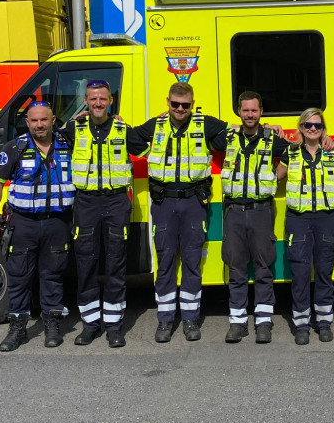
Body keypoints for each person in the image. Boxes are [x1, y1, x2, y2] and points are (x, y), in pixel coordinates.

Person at [126, 83, 229, 343]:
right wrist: (115, 121)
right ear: (168, 102)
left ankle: (191, 318)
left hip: (194, 202)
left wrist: (268, 127)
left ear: (192, 104)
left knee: (192, 261)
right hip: (164, 203)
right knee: (165, 262)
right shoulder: (156, 125)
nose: (180, 109)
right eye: (175, 104)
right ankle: (165, 319)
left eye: (185, 105)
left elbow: (237, 130)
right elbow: (128, 136)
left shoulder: (204, 124)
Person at [0, 101, 74, 352]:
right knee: (19, 277)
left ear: (53, 120)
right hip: (24, 223)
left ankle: (52, 325)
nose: (39, 125)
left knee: (53, 275)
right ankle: (17, 329)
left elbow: (90, 121)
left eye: (44, 120)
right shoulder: (14, 148)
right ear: (27, 123)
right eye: (34, 120)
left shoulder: (68, 145)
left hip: (58, 222)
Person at [69, 79, 134, 348]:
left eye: (102, 99)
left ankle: (114, 327)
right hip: (86, 203)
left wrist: (167, 114)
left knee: (116, 264)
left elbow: (153, 138)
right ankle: (90, 325)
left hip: (116, 202)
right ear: (85, 101)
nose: (98, 103)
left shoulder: (123, 129)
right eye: (93, 99)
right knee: (86, 264)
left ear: (110, 101)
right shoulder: (73, 129)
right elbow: (44, 134)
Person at [221, 91, 289, 344]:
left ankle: (263, 322)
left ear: (261, 112)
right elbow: (197, 124)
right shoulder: (227, 137)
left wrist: (275, 176)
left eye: (254, 110)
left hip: (261, 211)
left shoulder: (272, 139)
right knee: (236, 268)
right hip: (234, 211)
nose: (250, 115)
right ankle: (237, 323)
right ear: (239, 112)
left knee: (263, 267)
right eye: (245, 110)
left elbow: (294, 151)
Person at [281, 108, 334, 345]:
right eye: (308, 125)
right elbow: (276, 176)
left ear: (323, 128)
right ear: (301, 128)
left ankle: (324, 323)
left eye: (317, 125)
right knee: (301, 273)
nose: (313, 129)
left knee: (325, 271)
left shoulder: (333, 151)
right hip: (299, 220)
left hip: (327, 218)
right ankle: (302, 324)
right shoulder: (290, 152)